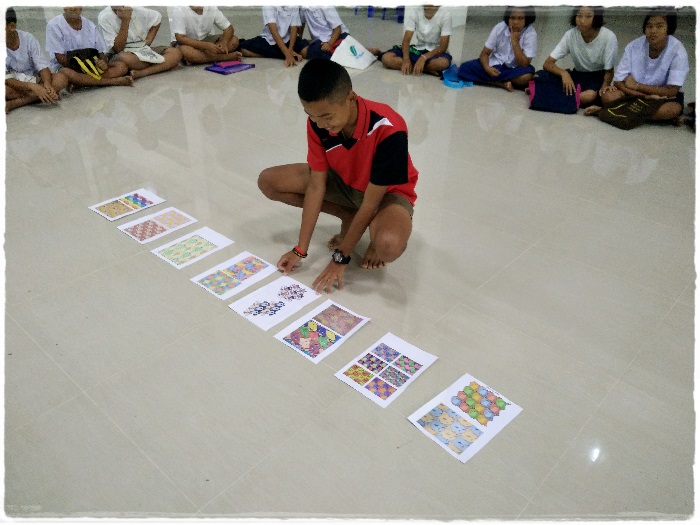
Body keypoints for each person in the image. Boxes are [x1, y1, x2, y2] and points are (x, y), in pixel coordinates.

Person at [258, 59, 418, 293]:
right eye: (312, 116)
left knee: (388, 245)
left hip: (386, 194)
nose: (320, 124)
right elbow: (316, 186)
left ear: (350, 98)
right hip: (345, 182)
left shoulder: (389, 128)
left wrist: (341, 257)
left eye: (327, 116)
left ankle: (375, 229)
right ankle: (347, 214)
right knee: (269, 181)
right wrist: (300, 249)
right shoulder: (317, 122)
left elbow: (370, 203)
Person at [585, 7, 689, 123]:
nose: (653, 31)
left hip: (662, 98)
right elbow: (618, 82)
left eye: (659, 26)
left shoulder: (678, 51)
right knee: (608, 96)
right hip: (632, 95)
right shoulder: (634, 46)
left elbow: (671, 91)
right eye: (649, 26)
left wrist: (636, 85)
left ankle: (608, 111)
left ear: (669, 29)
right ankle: (651, 117)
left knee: (672, 109)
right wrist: (643, 96)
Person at [541, 6, 618, 107]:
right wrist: (564, 74)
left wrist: (604, 88)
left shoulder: (609, 37)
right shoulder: (570, 34)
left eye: (588, 16)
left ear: (596, 17)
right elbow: (547, 63)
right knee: (540, 76)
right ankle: (561, 98)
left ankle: (548, 96)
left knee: (590, 95)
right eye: (579, 16)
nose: (582, 20)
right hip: (577, 74)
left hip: (597, 77)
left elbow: (609, 71)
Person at [45, 6, 132, 89]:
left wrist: (103, 63)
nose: (73, 8)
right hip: (71, 68)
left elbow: (101, 54)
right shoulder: (54, 25)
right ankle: (111, 81)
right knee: (65, 73)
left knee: (121, 66)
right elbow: (61, 59)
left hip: (91, 66)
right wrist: (83, 68)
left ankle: (81, 83)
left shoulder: (90, 25)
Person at [457, 6, 537, 91]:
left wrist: (515, 43)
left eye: (521, 18)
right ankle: (501, 83)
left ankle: (495, 80)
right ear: (508, 18)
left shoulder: (531, 33)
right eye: (512, 18)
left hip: (515, 69)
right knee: (464, 68)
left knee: (527, 76)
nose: (516, 22)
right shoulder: (500, 27)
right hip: (495, 65)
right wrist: (487, 68)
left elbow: (524, 64)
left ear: (527, 19)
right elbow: (485, 53)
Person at [6, 7, 68, 112]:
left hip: (34, 78)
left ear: (12, 26)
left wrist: (47, 85)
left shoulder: (28, 38)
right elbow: (7, 79)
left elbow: (42, 67)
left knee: (61, 78)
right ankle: (40, 96)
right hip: (14, 84)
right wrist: (33, 87)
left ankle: (16, 103)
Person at [98, 6, 181, 79]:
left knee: (175, 52)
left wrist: (148, 40)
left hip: (142, 49)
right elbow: (118, 48)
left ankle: (142, 73)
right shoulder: (104, 16)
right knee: (125, 58)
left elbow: (157, 17)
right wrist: (125, 20)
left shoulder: (138, 10)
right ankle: (162, 65)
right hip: (121, 52)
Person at [380, 5, 452, 76]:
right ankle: (426, 69)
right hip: (418, 49)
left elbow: (443, 47)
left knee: (443, 63)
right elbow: (406, 41)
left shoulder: (445, 14)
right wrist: (406, 59)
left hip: (435, 52)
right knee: (386, 58)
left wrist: (423, 58)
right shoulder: (415, 12)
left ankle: (415, 67)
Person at [167, 6, 241, 65]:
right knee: (185, 51)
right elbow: (180, 38)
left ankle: (200, 58)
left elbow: (229, 28)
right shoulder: (179, 9)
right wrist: (205, 46)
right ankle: (224, 57)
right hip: (186, 43)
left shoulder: (211, 7)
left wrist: (224, 42)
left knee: (234, 40)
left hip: (206, 39)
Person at [299, 7, 379, 61]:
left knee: (318, 55)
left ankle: (365, 51)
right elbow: (301, 24)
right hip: (320, 41)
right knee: (305, 51)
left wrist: (329, 44)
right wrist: (299, 40)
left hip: (336, 37)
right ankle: (358, 49)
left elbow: (338, 29)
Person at [238, 6, 307, 67]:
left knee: (306, 51)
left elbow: (294, 28)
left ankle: (275, 54)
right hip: (270, 41)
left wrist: (291, 49)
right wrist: (288, 54)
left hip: (289, 40)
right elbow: (274, 33)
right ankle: (282, 54)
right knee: (243, 49)